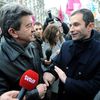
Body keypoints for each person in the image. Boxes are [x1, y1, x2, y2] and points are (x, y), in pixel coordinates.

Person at [43, 8, 100, 100]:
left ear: (90, 26)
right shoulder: (65, 45)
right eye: (70, 25)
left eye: (76, 25)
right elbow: (56, 65)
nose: (71, 30)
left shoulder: (98, 51)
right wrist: (50, 73)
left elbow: (94, 87)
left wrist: (66, 80)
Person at [0, 2, 47, 100]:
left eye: (32, 24)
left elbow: (37, 69)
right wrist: (34, 94)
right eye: (28, 26)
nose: (33, 29)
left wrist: (46, 69)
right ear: (13, 32)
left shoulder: (32, 44)